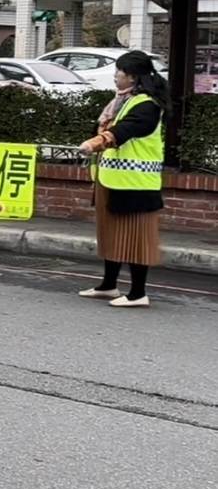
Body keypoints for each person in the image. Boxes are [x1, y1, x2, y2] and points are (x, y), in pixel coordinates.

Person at [78, 51, 167, 308]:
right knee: (111, 234)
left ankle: (138, 293)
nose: (115, 75)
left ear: (133, 77)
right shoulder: (121, 101)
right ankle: (109, 285)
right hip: (112, 180)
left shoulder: (147, 105)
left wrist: (96, 142)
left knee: (138, 239)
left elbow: (125, 130)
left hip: (136, 184)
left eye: (120, 71)